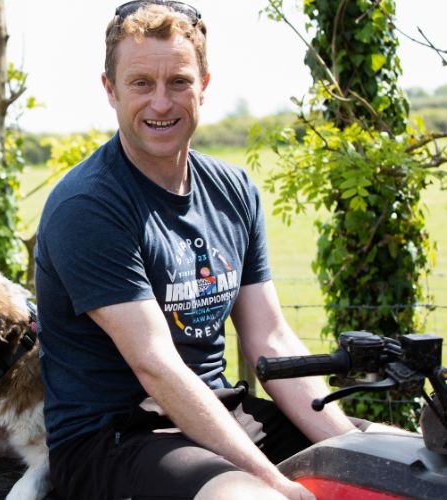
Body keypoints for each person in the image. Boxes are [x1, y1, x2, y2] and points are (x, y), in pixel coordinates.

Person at [34, 2, 374, 499]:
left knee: (398, 467)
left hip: (220, 414)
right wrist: (272, 481)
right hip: (117, 439)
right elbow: (156, 365)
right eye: (141, 84)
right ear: (110, 90)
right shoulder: (89, 205)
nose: (161, 104)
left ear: (204, 86)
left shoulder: (233, 190)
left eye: (178, 82)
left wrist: (347, 447)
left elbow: (271, 338)